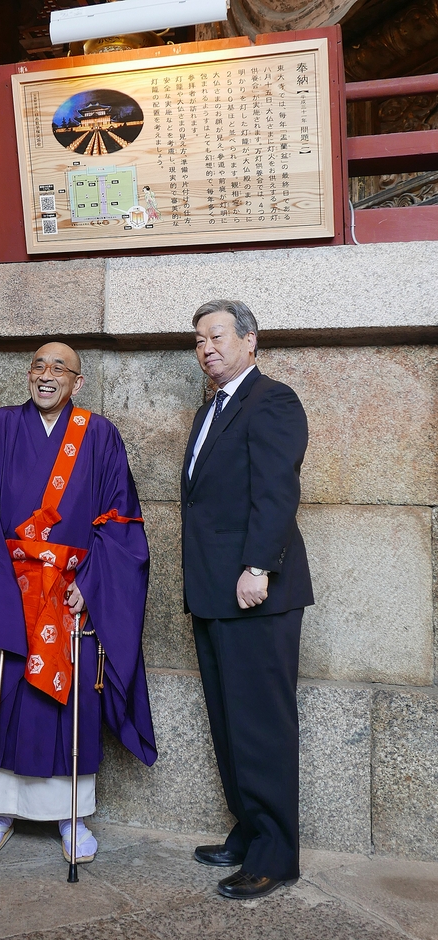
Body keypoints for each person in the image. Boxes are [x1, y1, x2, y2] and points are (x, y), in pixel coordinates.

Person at [0, 342, 157, 862]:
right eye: (37, 365)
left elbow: (121, 520)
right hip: (7, 588)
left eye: (59, 368)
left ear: (77, 382)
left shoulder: (100, 436)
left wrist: (92, 585)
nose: (46, 375)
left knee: (68, 704)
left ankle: (71, 817)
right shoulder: (0, 427)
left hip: (67, 594)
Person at [181, 300, 313, 900]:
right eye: (199, 339)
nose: (206, 346)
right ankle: (250, 828)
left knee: (261, 725)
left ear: (250, 341)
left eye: (217, 335)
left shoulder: (273, 400)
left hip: (255, 589)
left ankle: (276, 853)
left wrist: (258, 565)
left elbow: (277, 492)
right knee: (230, 722)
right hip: (213, 593)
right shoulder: (212, 410)